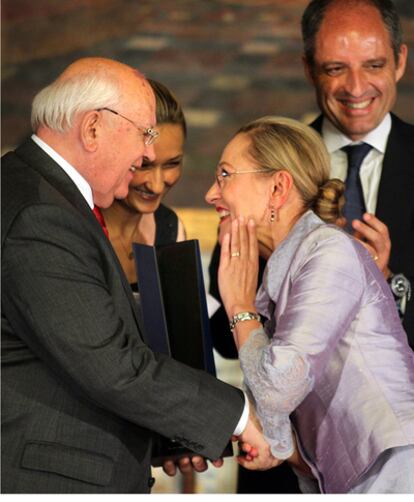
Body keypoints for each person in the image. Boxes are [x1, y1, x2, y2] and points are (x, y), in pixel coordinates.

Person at [1, 57, 269, 493]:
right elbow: (111, 366)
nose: (149, 153)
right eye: (144, 134)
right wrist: (237, 416)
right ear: (92, 129)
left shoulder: (37, 192)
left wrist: (174, 434)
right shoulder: (41, 217)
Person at [205, 115, 414, 493]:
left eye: (224, 175)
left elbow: (278, 388)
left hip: (396, 470)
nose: (211, 194)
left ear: (277, 188)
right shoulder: (283, 273)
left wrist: (238, 304)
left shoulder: (329, 251)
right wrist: (275, 445)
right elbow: (280, 405)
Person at [302, 0, 414, 347]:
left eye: (374, 65)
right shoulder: (273, 165)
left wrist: (388, 282)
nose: (355, 87)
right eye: (335, 68)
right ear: (309, 69)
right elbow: (224, 334)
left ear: (400, 62)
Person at [101, 78, 187, 291]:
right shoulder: (74, 230)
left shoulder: (170, 229)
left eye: (172, 164)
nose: (157, 186)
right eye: (143, 164)